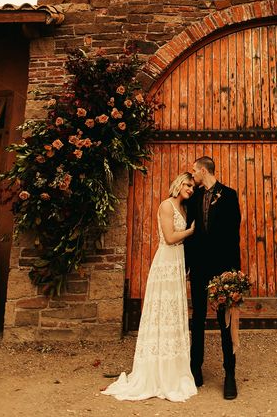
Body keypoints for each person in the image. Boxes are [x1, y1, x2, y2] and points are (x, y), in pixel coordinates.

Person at [102, 172, 197, 403]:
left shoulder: (183, 208)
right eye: (187, 185)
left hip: (177, 262)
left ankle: (173, 369)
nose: (190, 189)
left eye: (193, 187)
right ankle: (155, 370)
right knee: (161, 312)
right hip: (165, 261)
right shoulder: (167, 206)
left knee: (173, 312)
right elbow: (170, 237)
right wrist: (191, 231)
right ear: (178, 184)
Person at [185, 156, 241, 400]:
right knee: (197, 318)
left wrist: (234, 272)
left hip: (221, 269)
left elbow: (233, 234)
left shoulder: (229, 195)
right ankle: (195, 369)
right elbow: (189, 232)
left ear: (204, 170)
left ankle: (230, 375)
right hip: (198, 267)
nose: (192, 175)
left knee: (224, 321)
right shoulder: (194, 197)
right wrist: (186, 267)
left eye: (194, 171)